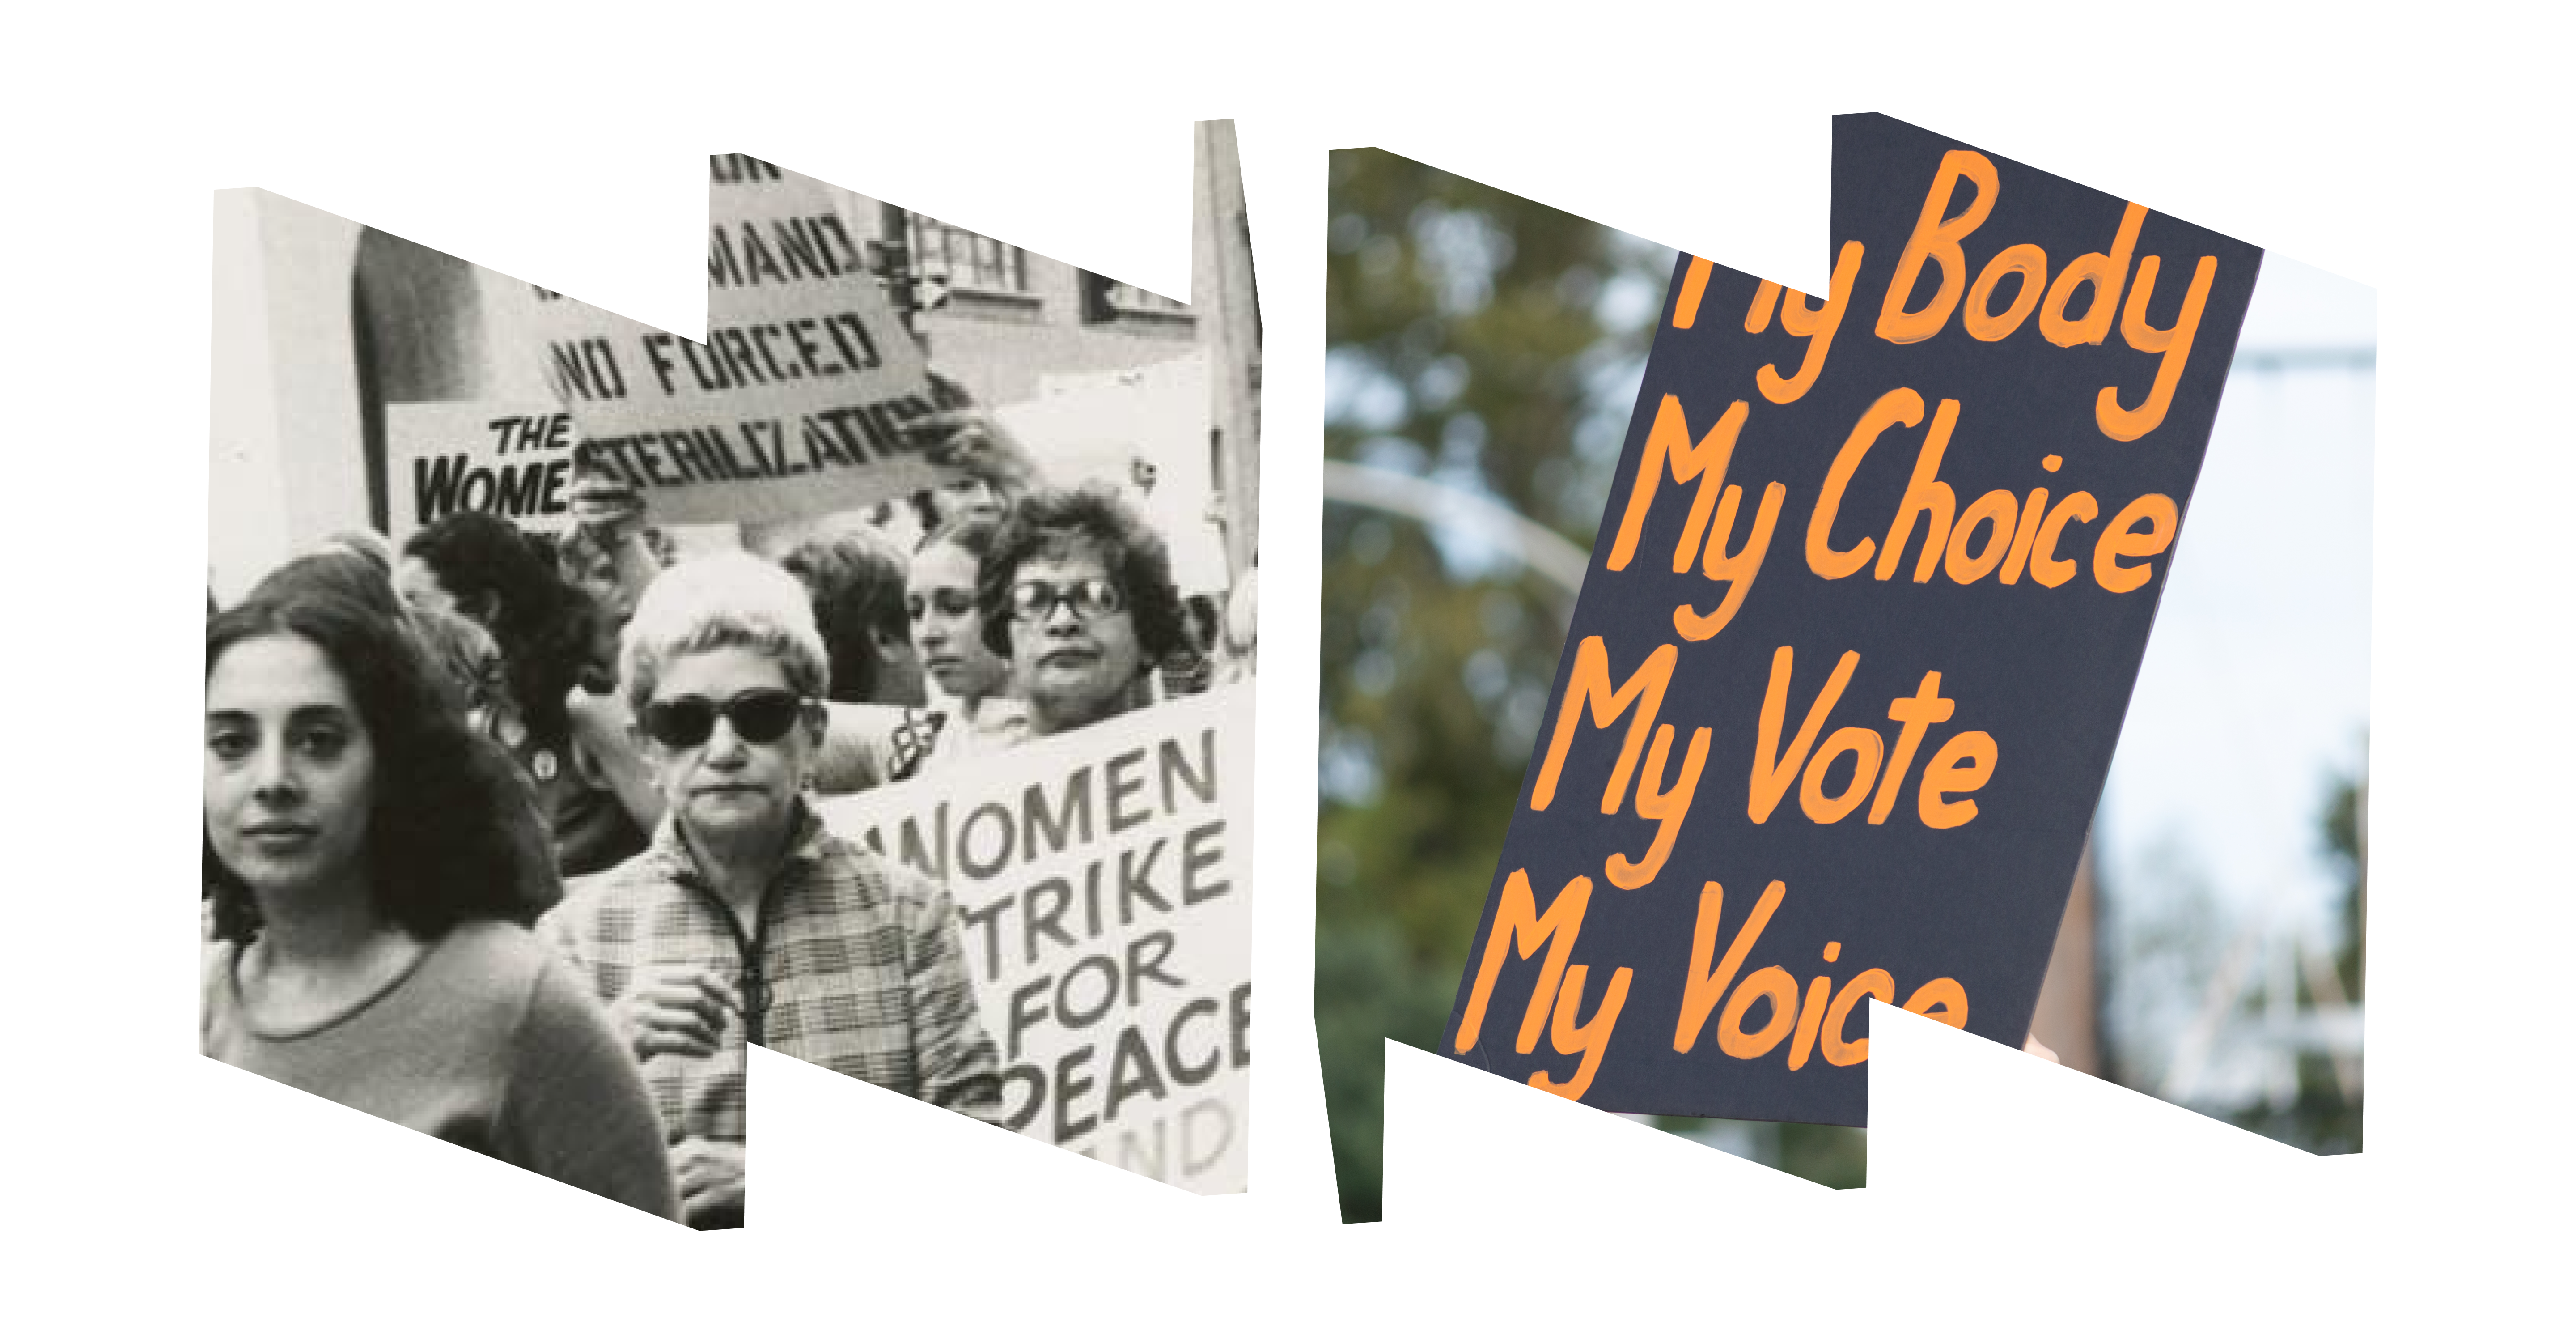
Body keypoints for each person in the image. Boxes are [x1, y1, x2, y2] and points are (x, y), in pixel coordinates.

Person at [538, 552, 1001, 1230]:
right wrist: (598, 1055)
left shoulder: (907, 913)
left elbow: (980, 1160)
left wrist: (777, 1179)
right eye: (685, 722)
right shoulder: (579, 934)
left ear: (811, 732)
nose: (724, 748)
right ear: (647, 748)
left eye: (759, 714)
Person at [201, 588, 678, 1220]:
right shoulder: (201, 1004)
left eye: (318, 740)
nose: (272, 780)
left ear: (390, 763)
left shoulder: (512, 998)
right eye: (232, 743)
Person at [399, 512, 655, 876]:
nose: (402, 628)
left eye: (416, 605)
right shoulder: (478, 725)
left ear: (486, 607)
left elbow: (677, 851)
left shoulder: (589, 705)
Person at [978, 485, 1186, 737]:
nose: (1063, 622)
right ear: (1006, 640)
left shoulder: (1215, 764)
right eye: (1033, 600)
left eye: (1097, 598)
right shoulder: (964, 774)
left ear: (1147, 637)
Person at [905, 515, 1027, 765]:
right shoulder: (928, 744)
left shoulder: (1057, 739)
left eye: (954, 607)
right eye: (915, 612)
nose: (928, 634)